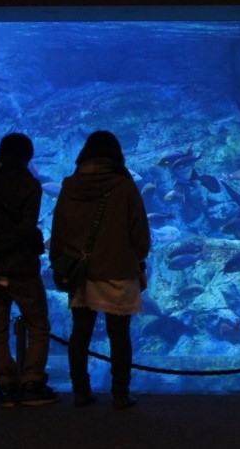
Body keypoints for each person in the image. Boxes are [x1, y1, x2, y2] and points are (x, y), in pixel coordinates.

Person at [50, 130, 151, 410]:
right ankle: (120, 394)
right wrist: (138, 257)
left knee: (80, 332)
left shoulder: (70, 187)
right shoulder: (125, 186)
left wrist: (59, 262)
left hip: (81, 272)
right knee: (119, 334)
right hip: (118, 270)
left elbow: (58, 229)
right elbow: (140, 233)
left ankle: (81, 391)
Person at [0, 133, 59, 407]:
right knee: (38, 324)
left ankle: (5, 386)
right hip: (22, 267)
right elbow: (25, 228)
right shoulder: (30, 185)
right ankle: (31, 383)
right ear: (27, 157)